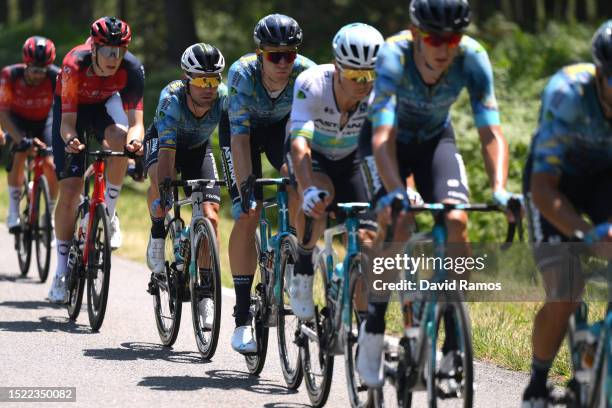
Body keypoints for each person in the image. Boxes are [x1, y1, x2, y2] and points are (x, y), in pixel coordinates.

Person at [357, 0, 518, 387]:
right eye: (433, 38)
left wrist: (499, 188)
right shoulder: (393, 56)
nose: (444, 48)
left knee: (457, 222)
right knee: (396, 222)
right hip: (385, 141)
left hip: (434, 141)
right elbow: (381, 137)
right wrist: (396, 191)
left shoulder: (473, 58)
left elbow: (490, 132)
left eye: (453, 38)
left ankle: (452, 341)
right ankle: (374, 328)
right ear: (415, 34)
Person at [521, 21, 612, 407]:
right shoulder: (568, 93)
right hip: (556, 183)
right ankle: (538, 383)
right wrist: (585, 233)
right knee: (565, 289)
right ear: (600, 72)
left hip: (605, 179)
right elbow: (542, 190)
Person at [219, 13, 315, 354]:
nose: (283, 62)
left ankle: (290, 255)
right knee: (249, 211)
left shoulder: (307, 72)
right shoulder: (242, 73)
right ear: (260, 53)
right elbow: (241, 139)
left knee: (300, 182)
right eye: (275, 55)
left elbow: (309, 134)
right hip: (241, 133)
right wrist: (247, 187)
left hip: (282, 129)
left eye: (290, 54)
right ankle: (242, 317)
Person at [285, 23, 384, 319]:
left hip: (351, 158)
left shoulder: (380, 92)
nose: (364, 83)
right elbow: (300, 143)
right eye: (355, 75)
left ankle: (364, 323)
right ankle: (303, 267)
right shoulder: (312, 83)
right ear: (337, 67)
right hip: (312, 156)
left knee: (369, 241)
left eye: (370, 74)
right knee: (319, 198)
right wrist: (308, 189)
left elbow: (388, 145)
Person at [48, 16, 145, 303]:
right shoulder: (73, 63)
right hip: (72, 111)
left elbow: (136, 122)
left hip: (104, 104)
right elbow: (67, 122)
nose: (114, 57)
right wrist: (70, 140)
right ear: (94, 49)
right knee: (70, 190)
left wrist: (135, 142)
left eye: (120, 50)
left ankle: (109, 214)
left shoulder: (132, 68)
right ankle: (62, 271)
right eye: (107, 50)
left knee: (119, 139)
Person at [144, 43, 227, 325]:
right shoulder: (172, 100)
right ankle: (157, 233)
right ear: (187, 79)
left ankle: (204, 291)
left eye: (214, 80)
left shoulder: (224, 99)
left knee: (211, 216)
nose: (209, 87)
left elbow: (234, 140)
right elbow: (167, 155)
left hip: (198, 149)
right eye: (202, 80)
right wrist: (166, 190)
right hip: (165, 144)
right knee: (159, 181)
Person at [0, 36, 59, 233]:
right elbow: (3, 112)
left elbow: (65, 108)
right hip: (17, 120)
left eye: (43, 70)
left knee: (51, 164)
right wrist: (20, 139)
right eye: (34, 69)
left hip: (44, 121)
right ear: (26, 64)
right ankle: (14, 211)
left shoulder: (55, 76)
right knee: (20, 152)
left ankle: (49, 213)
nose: (38, 75)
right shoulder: (10, 75)